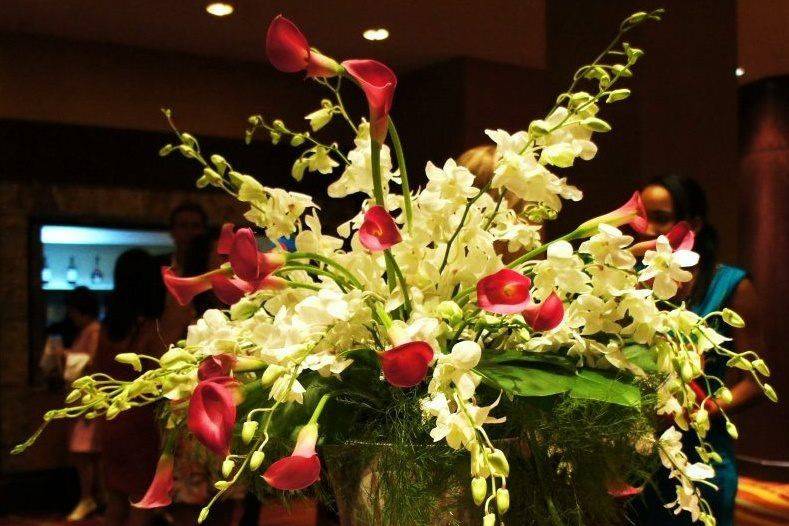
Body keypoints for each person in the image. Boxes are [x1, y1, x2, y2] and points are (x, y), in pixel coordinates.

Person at [632, 175, 766, 526]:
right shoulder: (630, 284)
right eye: (641, 216)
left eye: (660, 217)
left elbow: (756, 379)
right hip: (638, 458)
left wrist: (705, 409)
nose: (646, 228)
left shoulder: (732, 286)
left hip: (702, 452)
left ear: (693, 224)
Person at [94, 249, 175, 526]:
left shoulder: (108, 327)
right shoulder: (148, 328)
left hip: (111, 419)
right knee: (142, 499)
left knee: (115, 498)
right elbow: (160, 375)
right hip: (140, 423)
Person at [56, 287, 103, 522]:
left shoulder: (94, 330)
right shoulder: (88, 330)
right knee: (85, 454)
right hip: (84, 402)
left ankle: (88, 498)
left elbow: (92, 361)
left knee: (84, 453)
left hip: (89, 403)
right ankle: (93, 498)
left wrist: (65, 355)